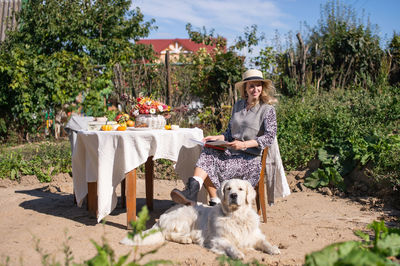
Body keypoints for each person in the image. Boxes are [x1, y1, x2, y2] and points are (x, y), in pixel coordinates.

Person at [171, 69, 279, 206]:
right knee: (207, 152)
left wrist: (243, 145)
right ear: (245, 88)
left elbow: (269, 137)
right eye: (251, 86)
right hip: (232, 153)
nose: (255, 89)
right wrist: (216, 137)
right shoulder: (238, 106)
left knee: (208, 163)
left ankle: (207, 197)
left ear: (262, 87)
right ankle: (199, 192)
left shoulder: (267, 110)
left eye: (258, 85)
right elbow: (229, 134)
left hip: (250, 160)